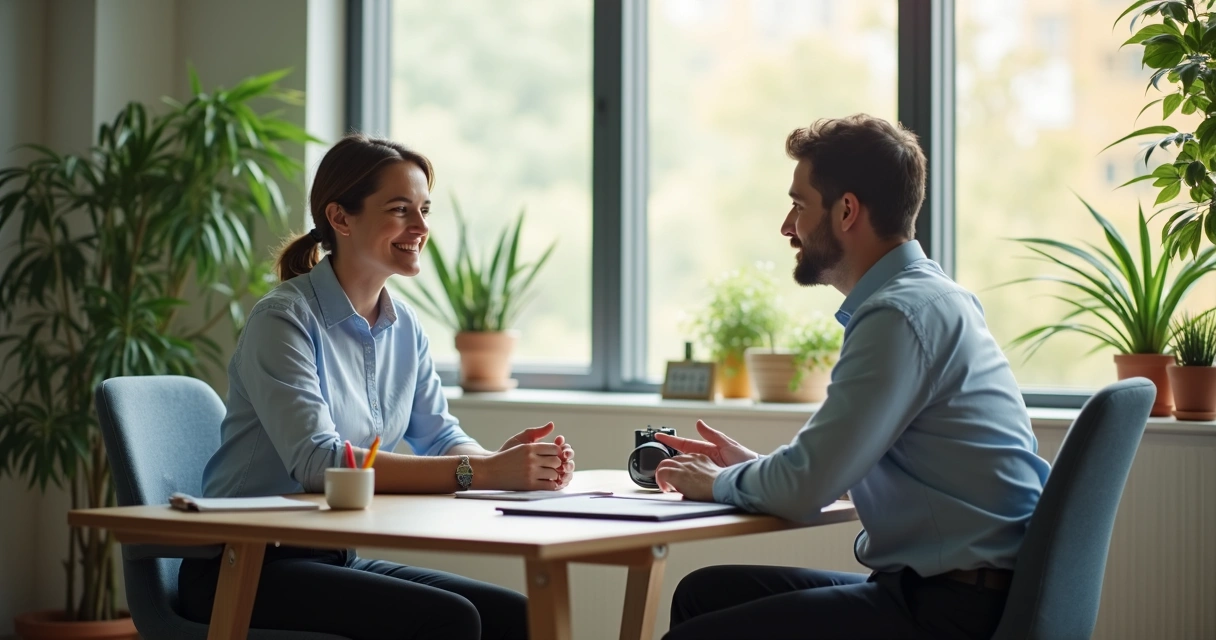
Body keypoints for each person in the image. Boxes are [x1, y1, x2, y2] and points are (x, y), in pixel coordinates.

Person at [652, 114, 1051, 640]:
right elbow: (831, 471)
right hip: (962, 592)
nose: (786, 226)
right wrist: (753, 468)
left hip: (948, 612)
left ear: (846, 211)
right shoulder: (934, 297)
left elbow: (806, 488)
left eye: (798, 205)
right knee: (703, 595)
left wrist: (719, 482)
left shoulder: (898, 316)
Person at [178, 133, 575, 640]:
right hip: (244, 568)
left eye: (425, 210)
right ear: (341, 218)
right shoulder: (283, 319)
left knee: (515, 616)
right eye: (400, 210)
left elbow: (439, 436)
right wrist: (483, 470)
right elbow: (319, 463)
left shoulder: (404, 326)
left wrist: (499, 464)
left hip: (333, 556)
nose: (421, 227)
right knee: (449, 622)